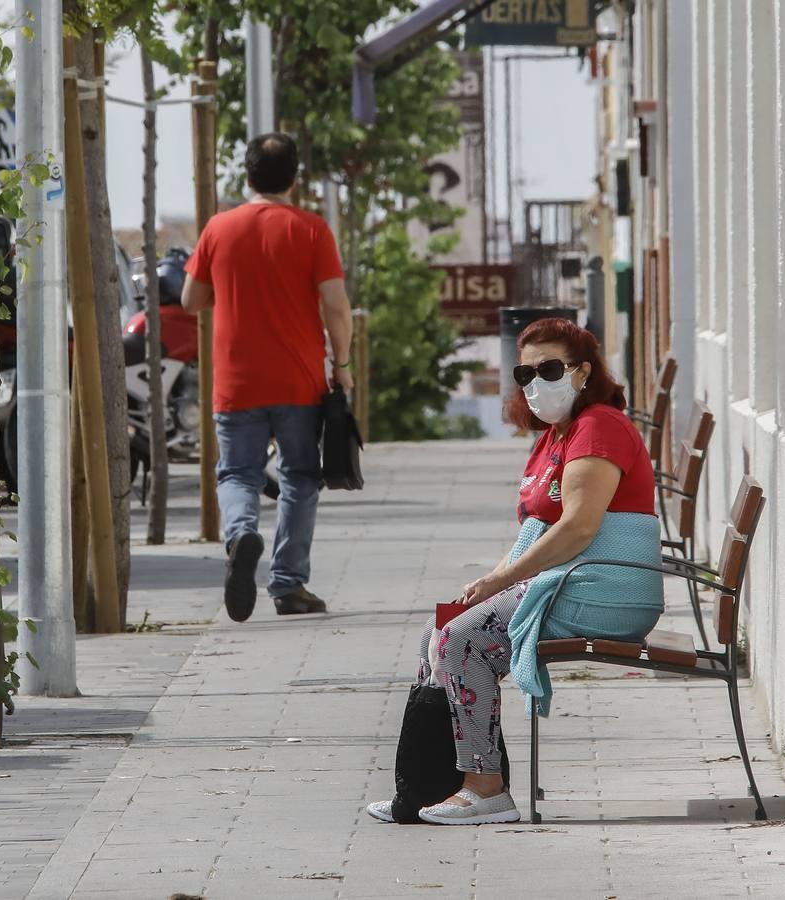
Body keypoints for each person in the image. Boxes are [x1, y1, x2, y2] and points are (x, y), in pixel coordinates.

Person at [366, 317, 665, 825]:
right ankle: (428, 785)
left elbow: (577, 529)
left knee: (463, 639)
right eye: (524, 373)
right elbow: (535, 532)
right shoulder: (555, 435)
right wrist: (489, 581)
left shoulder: (599, 427)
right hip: (570, 581)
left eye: (549, 368)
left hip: (602, 588)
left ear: (582, 371)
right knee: (440, 628)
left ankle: (486, 789)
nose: (535, 383)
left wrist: (501, 582)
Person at [182, 133, 353, 622]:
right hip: (299, 379)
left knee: (238, 472)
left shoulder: (219, 228)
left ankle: (241, 534)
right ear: (294, 179)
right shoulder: (313, 229)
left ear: (248, 176)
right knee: (300, 475)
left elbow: (192, 300)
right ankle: (288, 584)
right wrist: (342, 366)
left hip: (236, 380)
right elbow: (337, 307)